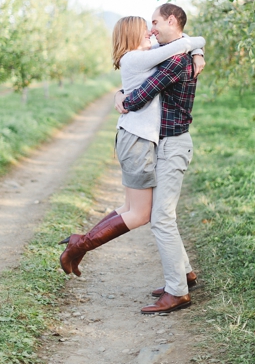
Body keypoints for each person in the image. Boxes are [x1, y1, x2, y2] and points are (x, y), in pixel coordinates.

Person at [58, 16, 204, 280]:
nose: (150, 32)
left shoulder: (141, 56)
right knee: (139, 214)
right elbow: (182, 44)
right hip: (136, 140)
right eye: (144, 29)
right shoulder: (134, 57)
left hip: (133, 137)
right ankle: (79, 247)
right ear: (131, 35)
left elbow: (186, 43)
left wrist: (197, 50)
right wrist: (196, 48)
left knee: (129, 208)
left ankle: (78, 243)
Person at [114, 3, 204, 314]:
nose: (151, 29)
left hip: (173, 146)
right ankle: (185, 275)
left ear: (171, 20)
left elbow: (138, 98)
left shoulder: (175, 62)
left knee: (161, 219)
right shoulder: (176, 53)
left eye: (154, 22)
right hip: (167, 144)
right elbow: (133, 84)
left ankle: (177, 292)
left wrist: (123, 98)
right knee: (163, 217)